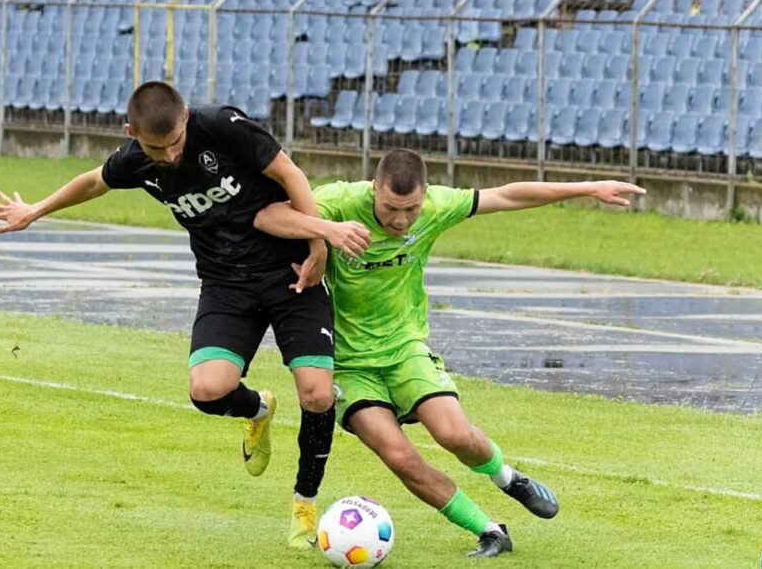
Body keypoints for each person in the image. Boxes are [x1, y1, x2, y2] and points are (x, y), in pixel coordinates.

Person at [0, 81, 370, 548]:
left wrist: (318, 247)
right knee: (207, 390)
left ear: (186, 117)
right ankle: (260, 408)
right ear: (131, 132)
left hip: (290, 271)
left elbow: (291, 176)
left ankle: (305, 505)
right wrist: (36, 210)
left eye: (174, 144)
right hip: (225, 284)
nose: (167, 156)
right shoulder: (136, 158)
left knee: (316, 394)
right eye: (154, 147)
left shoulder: (222, 126)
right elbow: (94, 181)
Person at [253, 148, 646, 557]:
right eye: (390, 208)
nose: (401, 220)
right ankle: (490, 530)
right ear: (374, 190)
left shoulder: (439, 206)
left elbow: (509, 196)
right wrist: (325, 233)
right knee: (400, 457)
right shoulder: (338, 201)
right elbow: (268, 216)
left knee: (456, 435)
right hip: (350, 366)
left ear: (425, 195)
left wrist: (587, 188)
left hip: (405, 350)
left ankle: (509, 478)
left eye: (411, 209)